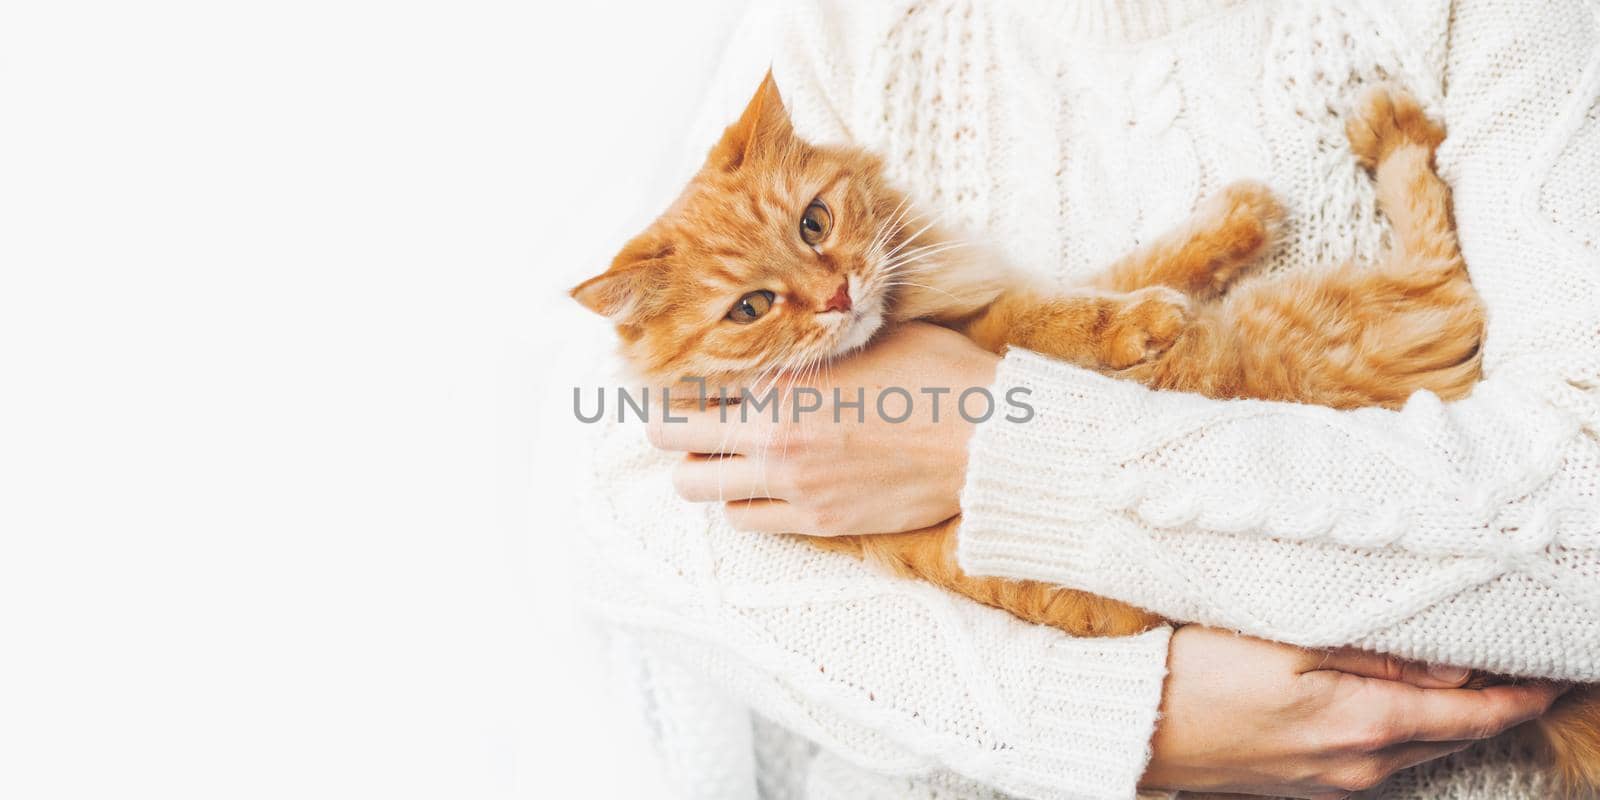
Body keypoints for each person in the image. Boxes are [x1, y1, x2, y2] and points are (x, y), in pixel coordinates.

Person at [579, 0, 1598, 797]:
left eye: (813, 232)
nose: (832, 292)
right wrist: (1125, 720)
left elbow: (1579, 528)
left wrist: (990, 439)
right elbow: (631, 537)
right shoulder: (838, 23)